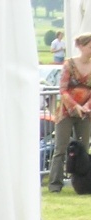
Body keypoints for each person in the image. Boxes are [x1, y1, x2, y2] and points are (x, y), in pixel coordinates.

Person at [48, 32, 91, 193]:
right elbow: (63, 89)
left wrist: (86, 107)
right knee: (60, 148)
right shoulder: (69, 64)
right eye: (89, 46)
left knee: (84, 149)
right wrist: (75, 106)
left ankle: (84, 185)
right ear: (81, 46)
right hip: (66, 112)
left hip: (86, 113)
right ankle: (54, 184)